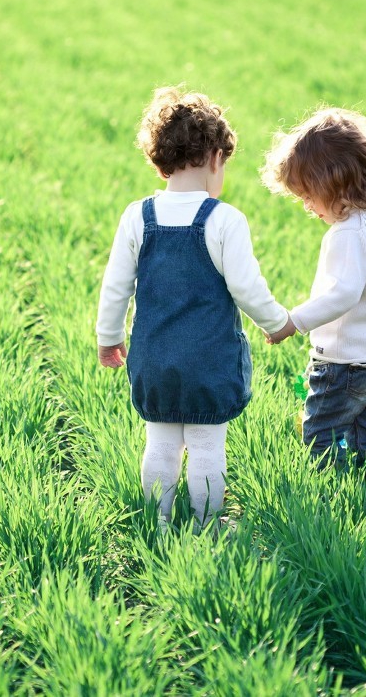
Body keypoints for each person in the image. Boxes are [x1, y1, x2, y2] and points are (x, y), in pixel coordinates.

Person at [97, 86, 292, 530]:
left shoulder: (137, 216)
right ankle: (206, 524)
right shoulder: (224, 220)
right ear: (215, 158)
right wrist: (277, 323)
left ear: (159, 158)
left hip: (155, 357)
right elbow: (247, 287)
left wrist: (109, 339)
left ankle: (158, 523)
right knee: (207, 445)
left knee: (160, 444)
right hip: (209, 361)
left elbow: (115, 287)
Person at [262, 108, 366, 498]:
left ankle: (330, 501)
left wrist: (293, 321)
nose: (308, 207)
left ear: (333, 183)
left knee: (320, 433)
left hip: (347, 362)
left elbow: (343, 294)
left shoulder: (350, 233)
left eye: (309, 196)